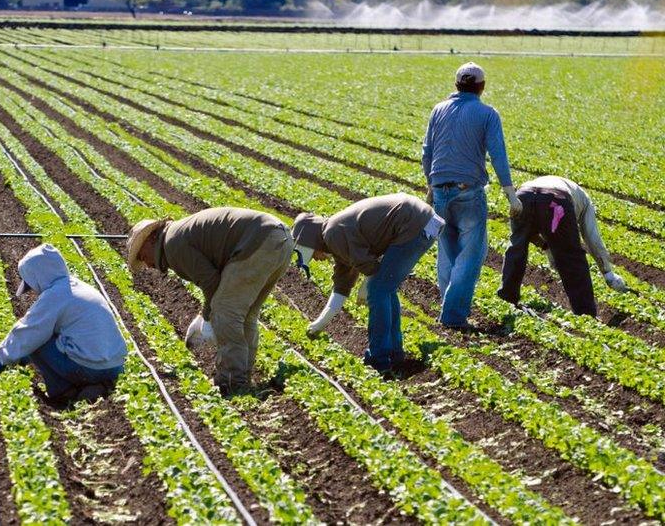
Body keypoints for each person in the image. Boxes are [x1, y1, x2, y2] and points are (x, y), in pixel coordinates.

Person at [127, 207, 293, 395]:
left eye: (142, 256)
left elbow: (211, 282)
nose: (147, 264)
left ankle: (231, 382)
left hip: (258, 242)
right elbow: (216, 282)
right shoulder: (176, 235)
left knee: (226, 312)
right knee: (245, 315)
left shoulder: (172, 245)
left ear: (151, 239)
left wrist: (207, 317)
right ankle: (242, 378)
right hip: (279, 238)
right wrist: (204, 314)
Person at [292, 193, 444, 375]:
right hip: (419, 220)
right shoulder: (335, 237)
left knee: (378, 290)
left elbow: (369, 266)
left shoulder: (333, 232)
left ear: (310, 242)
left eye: (310, 254)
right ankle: (394, 353)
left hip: (412, 223)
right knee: (384, 288)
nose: (315, 260)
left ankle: (379, 358)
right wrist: (319, 324)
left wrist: (367, 285)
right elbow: (341, 287)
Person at [421, 61, 523, 330]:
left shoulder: (438, 110)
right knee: (472, 253)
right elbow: (498, 154)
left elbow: (427, 152)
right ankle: (453, 315)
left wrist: (431, 189)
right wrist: (511, 194)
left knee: (447, 251)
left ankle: (448, 306)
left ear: (456, 85)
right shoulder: (487, 114)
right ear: (482, 87)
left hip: (440, 190)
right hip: (469, 192)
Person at [0, 244, 127, 405]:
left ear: (38, 277)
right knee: (50, 335)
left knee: (37, 342)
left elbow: (29, 331)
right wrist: (22, 358)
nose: (34, 291)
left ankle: (65, 392)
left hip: (89, 368)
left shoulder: (55, 295)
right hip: (116, 365)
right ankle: (101, 386)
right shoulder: (79, 287)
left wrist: (1, 362)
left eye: (31, 285)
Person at [497, 175, 629, 316]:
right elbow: (592, 238)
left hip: (523, 195)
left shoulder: (554, 184)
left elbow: (528, 233)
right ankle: (586, 313)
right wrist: (608, 273)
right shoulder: (585, 202)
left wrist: (546, 247)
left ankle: (507, 297)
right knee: (572, 257)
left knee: (517, 244)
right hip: (556, 200)